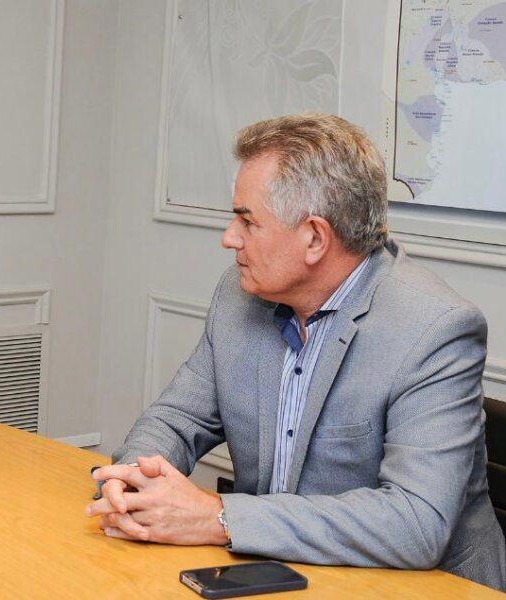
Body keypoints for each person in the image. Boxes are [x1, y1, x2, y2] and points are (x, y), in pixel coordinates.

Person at [87, 114, 505, 589]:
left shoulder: (434, 329)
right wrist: (132, 482)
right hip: (282, 573)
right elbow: (176, 419)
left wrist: (218, 516)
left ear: (314, 238)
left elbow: (416, 522)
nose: (229, 237)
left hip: (425, 588)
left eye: (247, 220)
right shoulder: (239, 296)